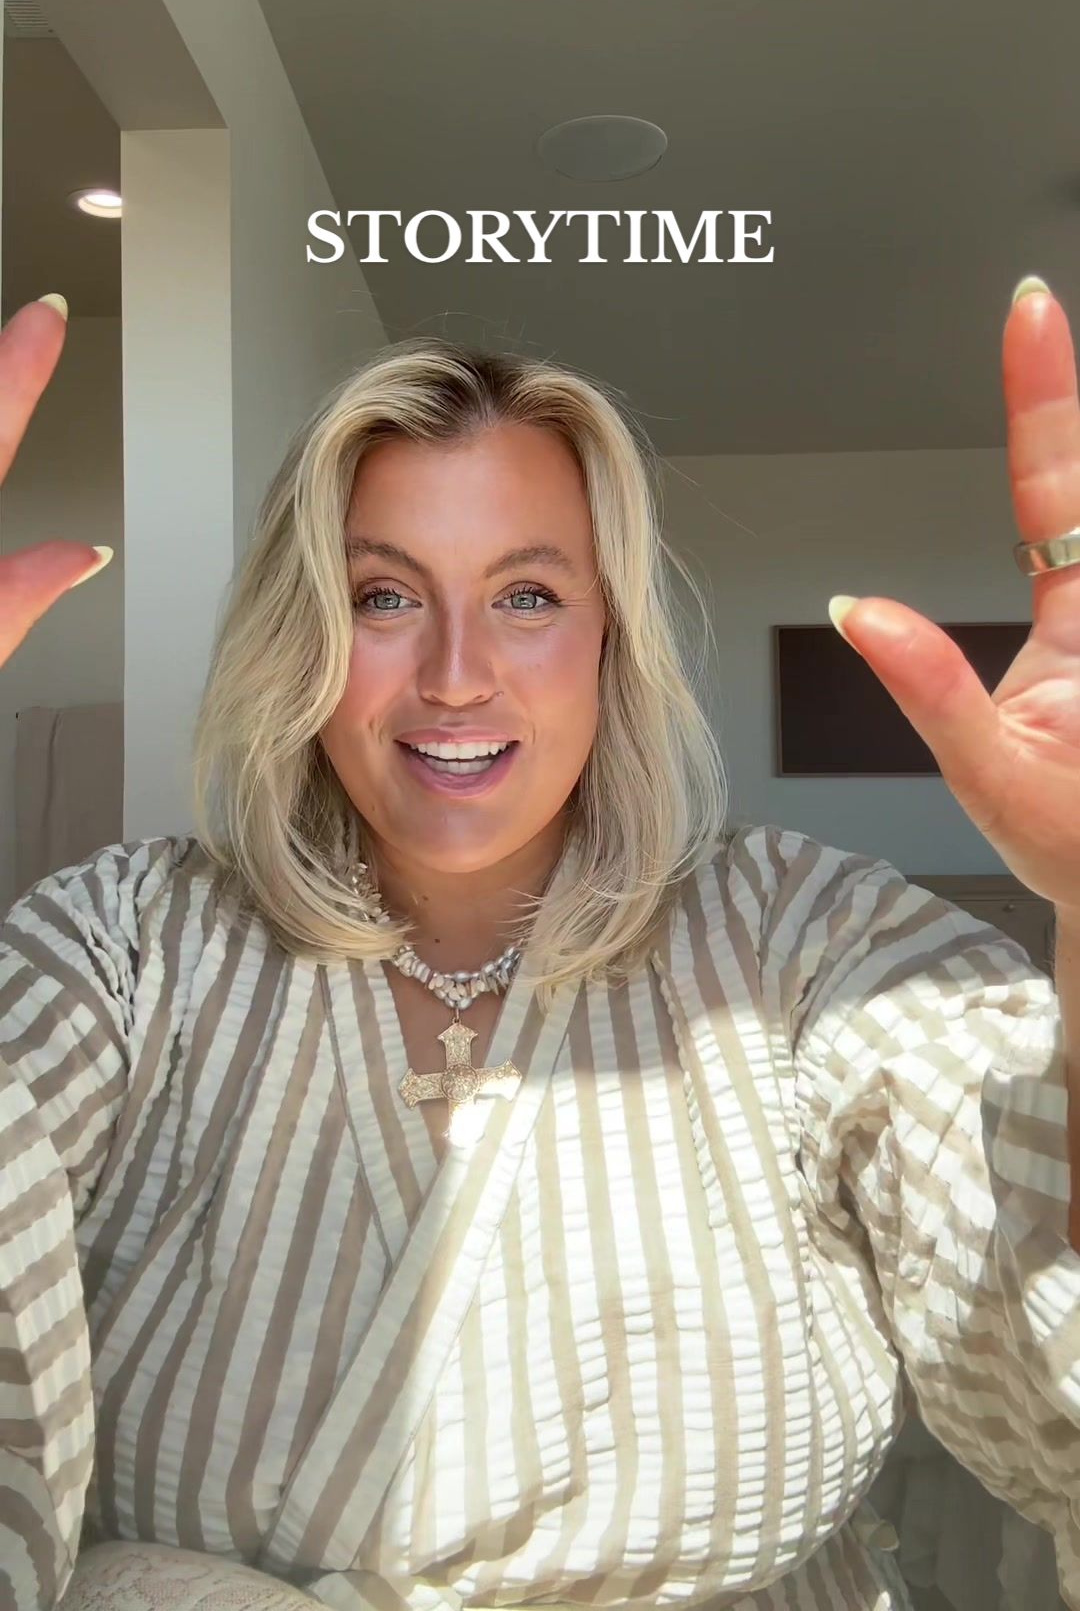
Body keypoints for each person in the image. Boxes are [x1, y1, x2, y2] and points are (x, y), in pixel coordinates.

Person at [0, 284, 1078, 1611]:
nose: (456, 675)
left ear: (610, 633)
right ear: (305, 633)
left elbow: (1035, 1308)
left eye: (526, 595)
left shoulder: (805, 937)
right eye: (384, 596)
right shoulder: (122, 947)